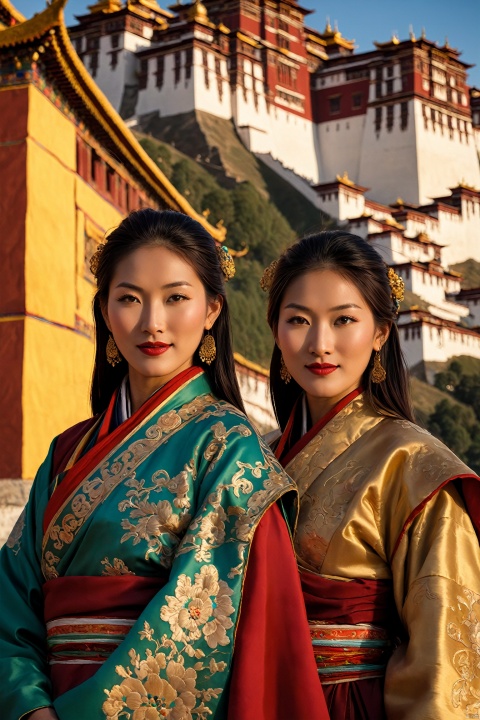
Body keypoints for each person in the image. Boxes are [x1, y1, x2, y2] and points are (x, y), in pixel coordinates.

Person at [0, 209, 328, 720]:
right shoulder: (66, 453)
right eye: (129, 299)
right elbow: (10, 600)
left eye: (176, 298)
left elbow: (200, 623)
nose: (153, 322)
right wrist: (27, 705)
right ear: (105, 312)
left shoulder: (228, 448)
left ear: (213, 310)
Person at [261, 229, 480, 719]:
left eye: (344, 320)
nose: (320, 343)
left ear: (381, 331)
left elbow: (445, 661)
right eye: (298, 320)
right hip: (255, 697)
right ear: (275, 329)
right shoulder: (252, 461)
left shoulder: (415, 467)